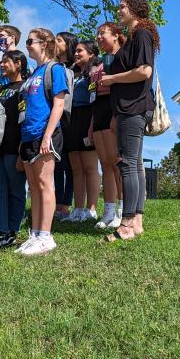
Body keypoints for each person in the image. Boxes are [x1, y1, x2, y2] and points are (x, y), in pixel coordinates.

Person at [100, 0, 159, 242]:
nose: (119, 9)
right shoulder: (134, 37)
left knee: (128, 164)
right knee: (133, 164)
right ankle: (136, 223)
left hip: (134, 108)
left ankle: (126, 224)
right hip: (128, 108)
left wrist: (111, 79)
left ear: (135, 10)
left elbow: (145, 71)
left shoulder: (142, 34)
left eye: (123, 6)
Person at [16, 28, 69, 256]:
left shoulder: (54, 69)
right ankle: (36, 233)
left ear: (44, 43)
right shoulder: (33, 73)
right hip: (27, 135)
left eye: (30, 41)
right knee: (34, 187)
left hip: (44, 134)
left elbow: (58, 104)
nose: (27, 45)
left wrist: (47, 135)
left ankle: (46, 236)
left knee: (45, 183)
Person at [0, 49, 29, 251]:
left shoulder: (24, 88)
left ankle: (12, 229)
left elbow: (24, 119)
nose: (2, 64)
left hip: (13, 147)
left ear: (19, 64)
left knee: (15, 190)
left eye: (6, 61)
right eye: (1, 62)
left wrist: (21, 149)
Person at [62, 40, 100, 223]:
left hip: (87, 116)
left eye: (80, 51)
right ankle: (77, 209)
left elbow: (95, 99)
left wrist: (92, 125)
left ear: (91, 54)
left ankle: (91, 208)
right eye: (75, 51)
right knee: (76, 167)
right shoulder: (74, 74)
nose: (76, 54)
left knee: (90, 166)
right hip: (73, 118)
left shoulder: (95, 71)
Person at [93, 23, 125, 229]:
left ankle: (123, 211)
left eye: (102, 33)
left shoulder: (122, 57)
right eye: (97, 34)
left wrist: (117, 115)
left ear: (115, 36)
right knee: (105, 164)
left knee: (117, 163)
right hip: (99, 110)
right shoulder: (101, 61)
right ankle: (109, 210)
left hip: (115, 109)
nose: (98, 37)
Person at [53, 31, 77, 221]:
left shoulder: (76, 68)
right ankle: (56, 202)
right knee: (57, 164)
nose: (55, 42)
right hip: (55, 119)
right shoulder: (52, 66)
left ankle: (66, 203)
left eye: (59, 40)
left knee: (70, 165)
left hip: (72, 119)